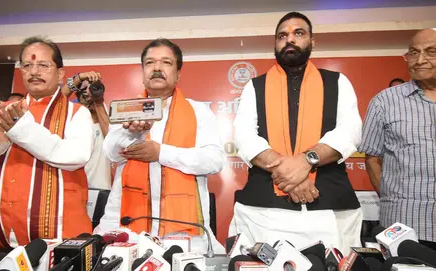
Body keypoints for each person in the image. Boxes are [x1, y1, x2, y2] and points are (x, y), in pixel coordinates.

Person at [230, 12, 363, 255]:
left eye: (298, 33)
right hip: (264, 210)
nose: (289, 39)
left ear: (312, 42)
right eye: (282, 35)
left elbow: (350, 131)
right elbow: (243, 136)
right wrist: (291, 173)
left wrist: (306, 160)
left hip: (329, 205)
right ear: (275, 44)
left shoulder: (337, 81)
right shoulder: (254, 86)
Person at [0, 36, 95, 248]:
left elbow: (74, 157)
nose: (34, 71)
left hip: (58, 231)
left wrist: (19, 129)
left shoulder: (78, 113)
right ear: (21, 72)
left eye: (43, 65)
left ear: (60, 74)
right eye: (27, 65)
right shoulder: (0, 112)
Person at [95, 38, 225, 253]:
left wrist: (160, 153)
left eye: (166, 62)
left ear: (178, 73)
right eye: (149, 63)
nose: (156, 68)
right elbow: (110, 153)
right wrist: (130, 133)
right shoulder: (126, 109)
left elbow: (214, 160)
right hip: (126, 226)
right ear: (143, 72)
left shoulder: (198, 112)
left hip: (183, 234)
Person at [361, 28, 436, 250]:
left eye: (431, 51)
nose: (420, 60)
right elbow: (372, 158)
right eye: (413, 53)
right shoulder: (384, 102)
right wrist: (391, 197)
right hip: (405, 224)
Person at [61, 71, 112, 190]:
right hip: (72, 188)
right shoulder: (69, 117)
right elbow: (56, 101)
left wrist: (97, 100)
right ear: (77, 92)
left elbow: (111, 138)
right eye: (84, 88)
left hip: (101, 188)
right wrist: (78, 79)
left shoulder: (107, 115)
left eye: (93, 87)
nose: (88, 91)